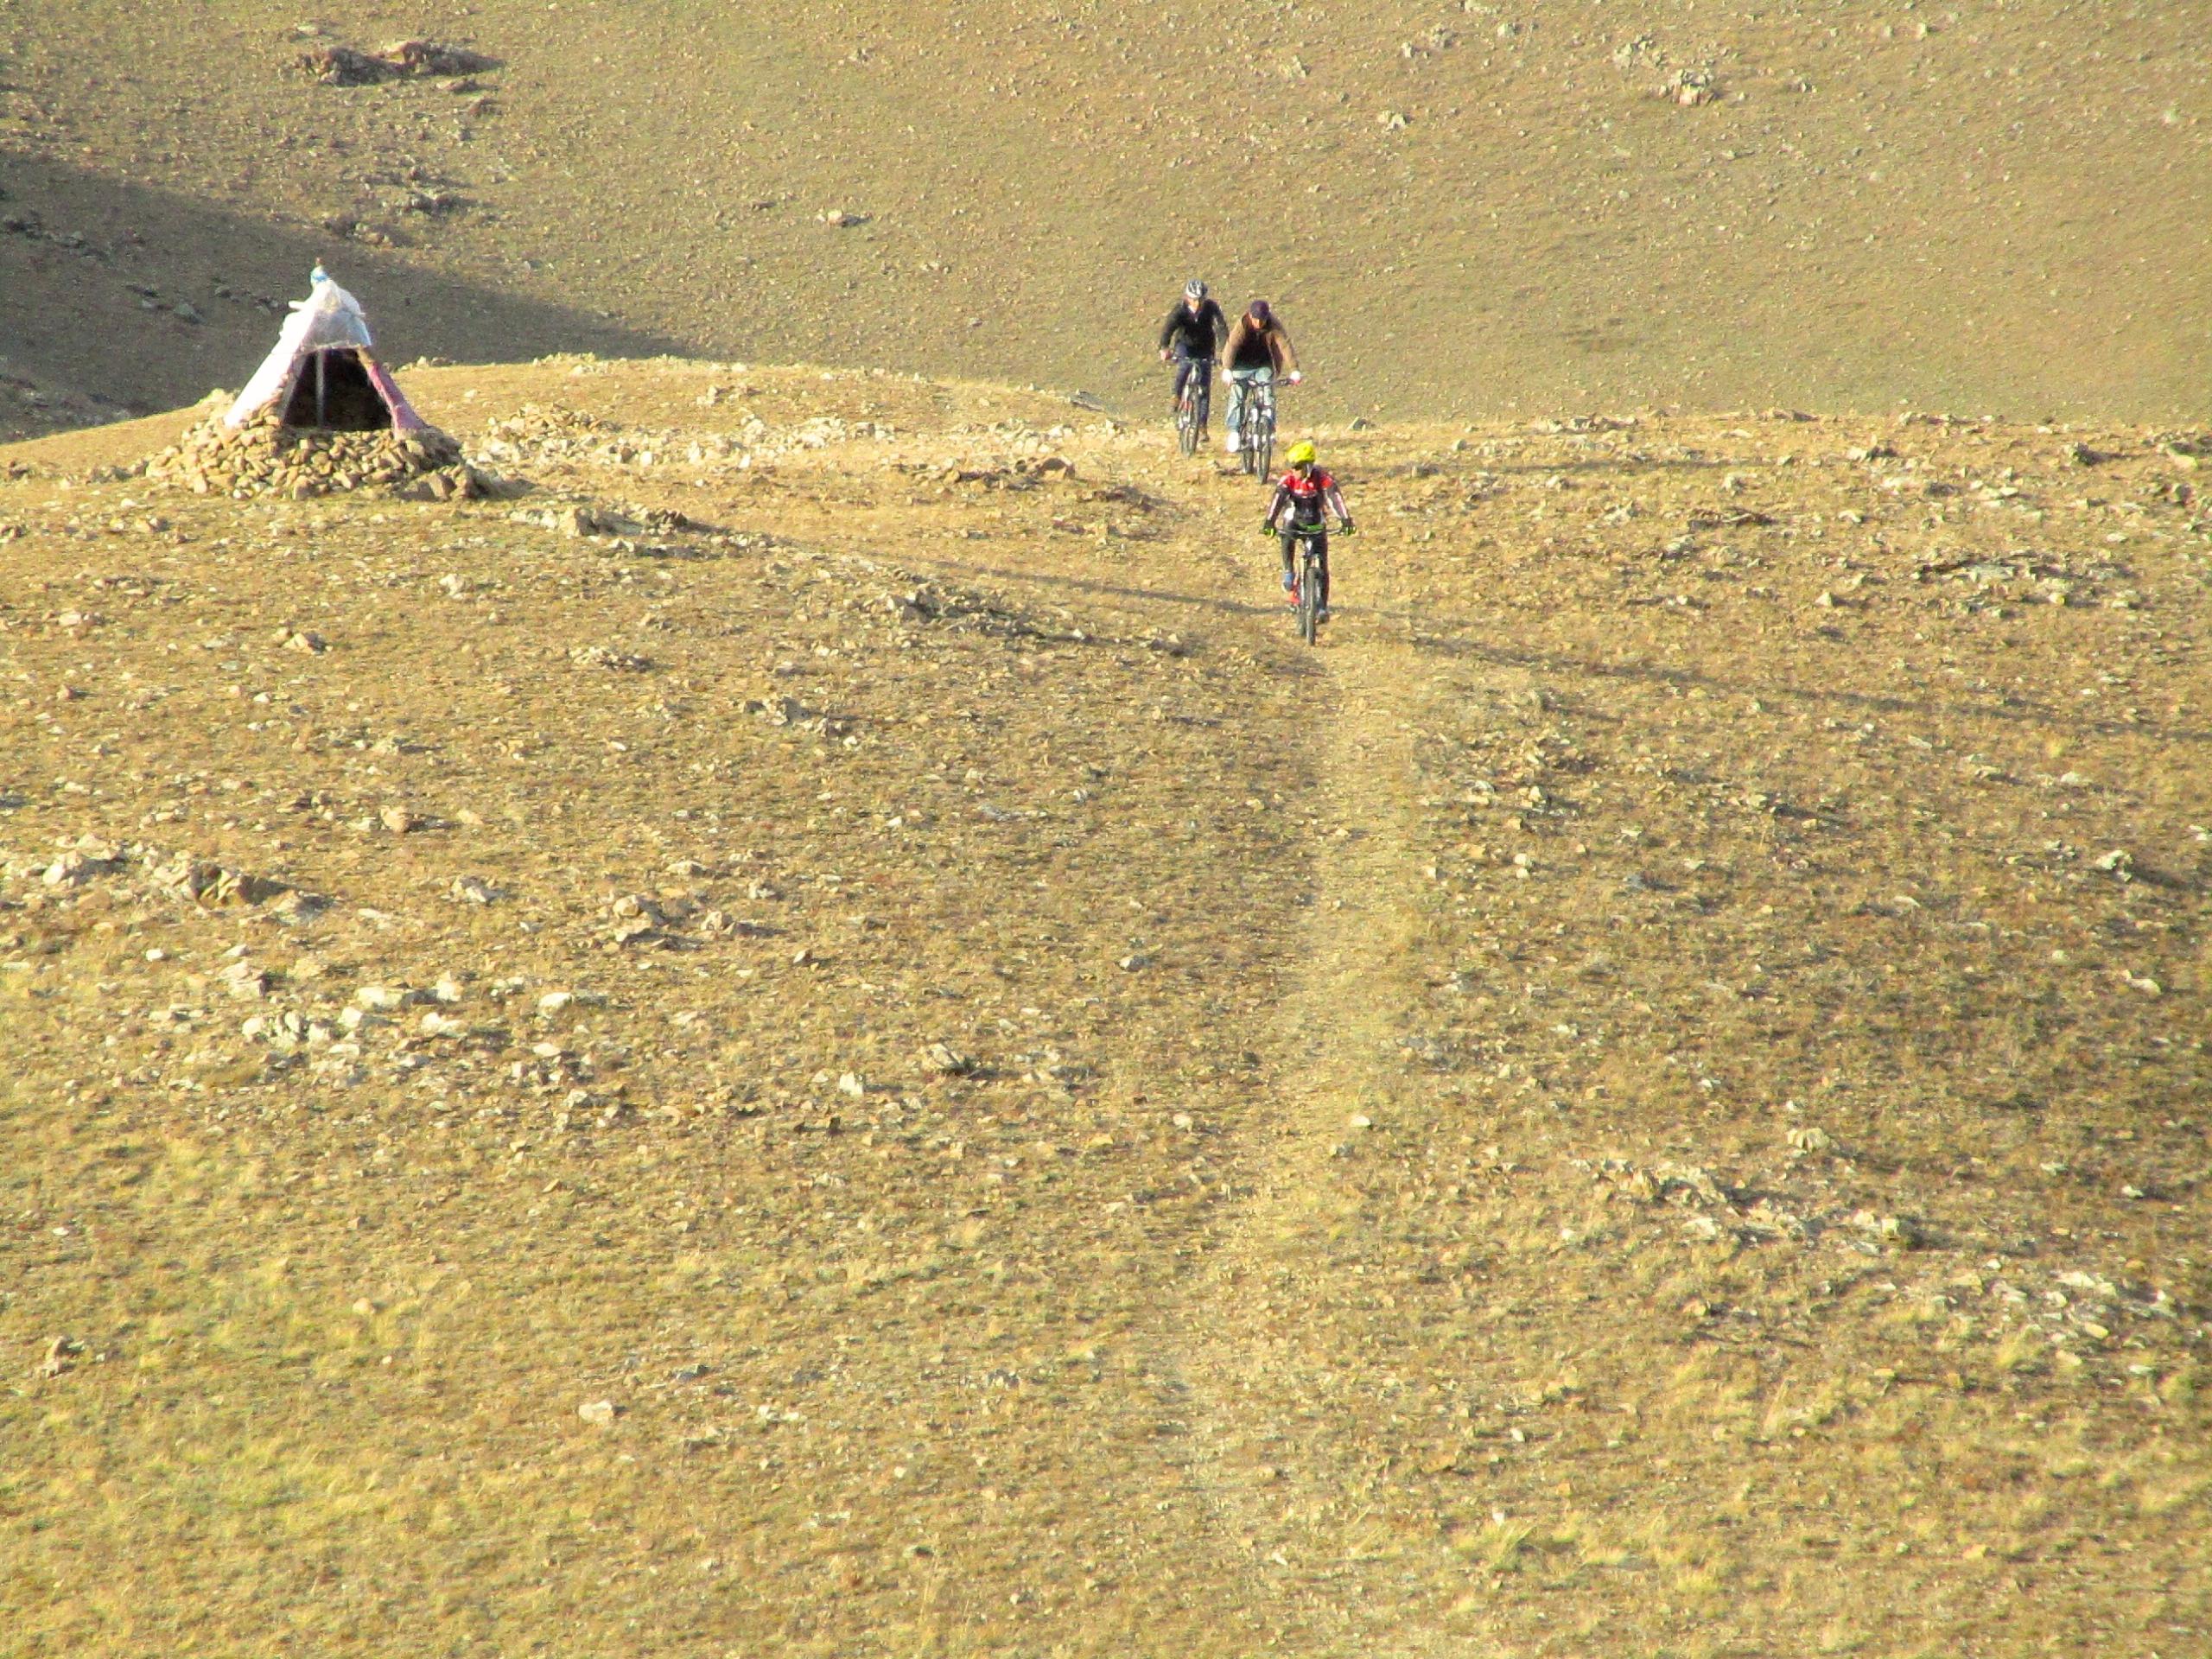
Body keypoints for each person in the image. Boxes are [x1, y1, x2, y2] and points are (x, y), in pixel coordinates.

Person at [1262, 440, 1352, 618]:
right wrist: (1269, 522)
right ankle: (1289, 571)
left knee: (1323, 564)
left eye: (1297, 467)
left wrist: (1346, 520)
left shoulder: (1322, 478)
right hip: (1294, 522)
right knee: (1287, 534)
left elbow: (1335, 498)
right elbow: (1277, 500)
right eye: (1292, 467)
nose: (1294, 471)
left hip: (1316, 523)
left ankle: (1322, 607)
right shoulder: (1288, 480)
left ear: (1308, 466)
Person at [1220, 299, 1301, 455]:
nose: (1259, 323)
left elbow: (1284, 345)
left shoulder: (1273, 325)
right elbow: (1231, 346)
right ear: (1250, 316)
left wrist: (1294, 369)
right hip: (1241, 365)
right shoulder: (1243, 325)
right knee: (1238, 396)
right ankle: (1234, 432)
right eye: (1256, 319)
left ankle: (1268, 429)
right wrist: (1227, 369)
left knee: (1267, 394)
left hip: (1263, 364)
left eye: (1262, 319)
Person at [1157, 279, 1226, 420]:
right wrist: (1164, 348)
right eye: (1194, 300)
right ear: (1187, 298)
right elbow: (1168, 329)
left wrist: (1224, 349)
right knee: (1185, 366)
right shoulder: (1180, 310)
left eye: (1201, 300)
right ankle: (1176, 396)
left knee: (1204, 388)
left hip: (1205, 346)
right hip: (1185, 345)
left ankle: (1201, 426)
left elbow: (1221, 328)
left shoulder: (1211, 308)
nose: (1198, 303)